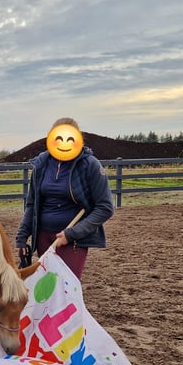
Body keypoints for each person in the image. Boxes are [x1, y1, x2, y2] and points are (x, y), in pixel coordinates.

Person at [16, 117, 114, 280]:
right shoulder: (41, 165)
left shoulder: (90, 165)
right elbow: (32, 204)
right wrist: (22, 237)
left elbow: (105, 207)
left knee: (66, 290)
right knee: (46, 290)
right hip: (43, 238)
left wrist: (72, 234)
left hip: (72, 242)